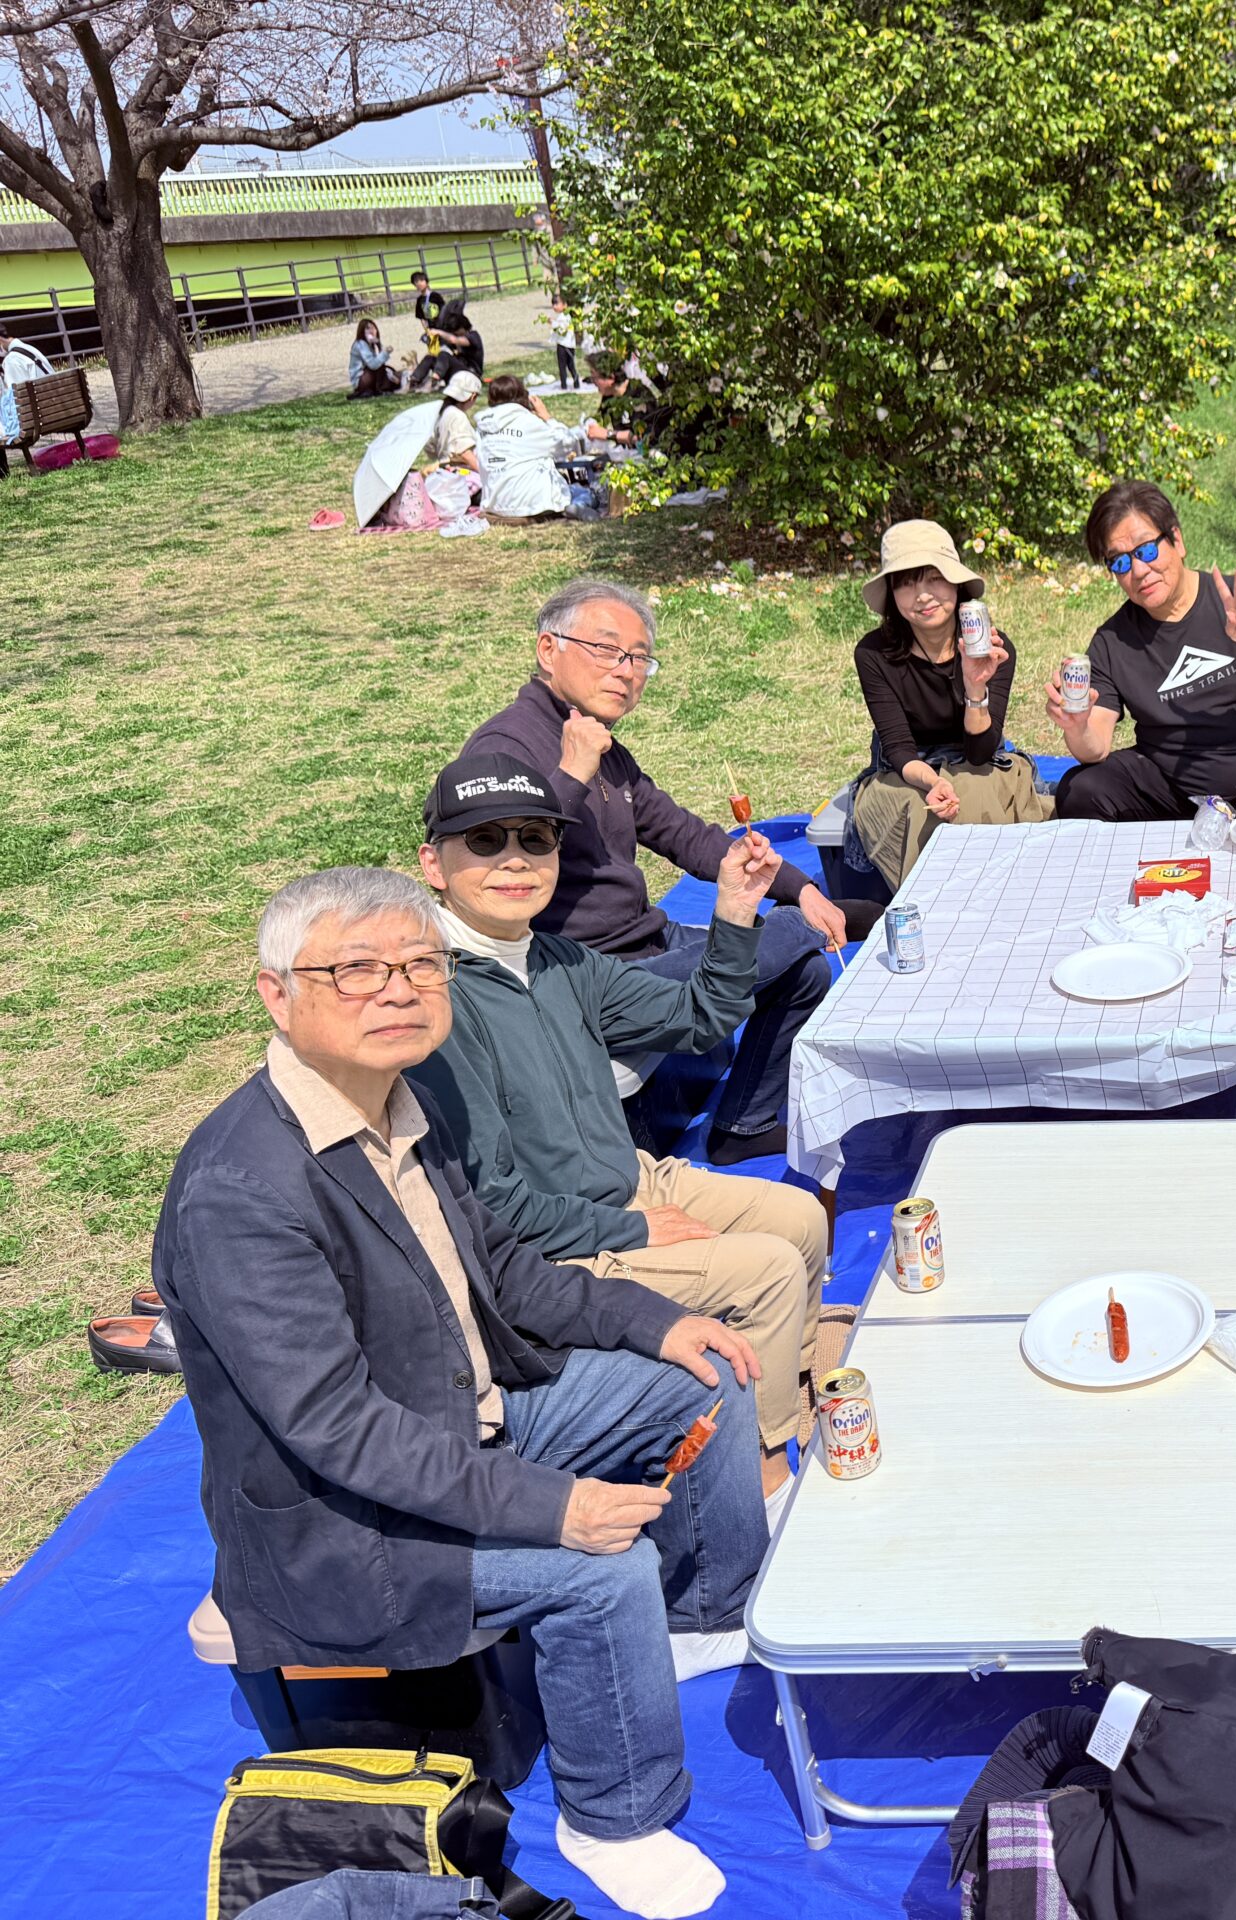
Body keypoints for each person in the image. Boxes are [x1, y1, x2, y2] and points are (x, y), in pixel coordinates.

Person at [154, 866, 764, 1920]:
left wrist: (652, 1320)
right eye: (356, 970)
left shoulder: (405, 1100)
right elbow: (341, 1432)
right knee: (601, 1566)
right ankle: (614, 1815)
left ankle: (699, 1617)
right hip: (344, 1519)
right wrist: (554, 1505)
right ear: (276, 995)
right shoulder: (241, 1192)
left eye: (420, 963)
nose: (399, 989)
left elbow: (502, 1270)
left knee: (698, 1379)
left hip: (466, 1413)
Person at [408, 754, 832, 1503]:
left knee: (800, 1217)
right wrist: (631, 1229)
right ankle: (765, 1478)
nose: (515, 859)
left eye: (536, 838)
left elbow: (697, 1017)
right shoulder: (435, 997)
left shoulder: (557, 959)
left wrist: (735, 911)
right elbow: (490, 1203)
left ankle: (790, 1399)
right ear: (433, 864)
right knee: (766, 1269)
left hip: (630, 1179)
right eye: (485, 840)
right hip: (559, 1245)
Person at [464, 579, 851, 1166]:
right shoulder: (504, 750)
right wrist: (572, 772)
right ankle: (829, 923)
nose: (625, 671)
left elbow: (683, 834)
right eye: (607, 650)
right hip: (582, 978)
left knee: (802, 971)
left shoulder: (603, 746)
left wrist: (800, 888)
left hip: (645, 941)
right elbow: (505, 868)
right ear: (548, 649)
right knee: (791, 935)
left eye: (639, 658)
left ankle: (743, 1125)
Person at [1046, 478, 1236, 820]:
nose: (1139, 571)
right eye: (1119, 562)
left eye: (1146, 550)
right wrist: (1077, 726)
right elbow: (1096, 746)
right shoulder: (1112, 641)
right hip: (1170, 790)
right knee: (1080, 789)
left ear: (1177, 540)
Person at [847, 519, 1051, 885]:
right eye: (906, 583)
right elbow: (898, 747)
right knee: (921, 808)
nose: (923, 595)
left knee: (976, 793)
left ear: (956, 583)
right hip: (907, 769)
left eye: (934, 578)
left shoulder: (993, 648)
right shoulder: (873, 653)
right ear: (892, 594)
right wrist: (932, 782)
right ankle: (930, 906)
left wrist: (975, 688)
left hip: (977, 762)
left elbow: (981, 752)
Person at [473, 374, 596, 523]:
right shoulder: (528, 421)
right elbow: (567, 443)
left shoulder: (481, 427)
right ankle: (579, 506)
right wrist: (547, 417)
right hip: (531, 504)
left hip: (494, 504)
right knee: (582, 492)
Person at [586, 353, 669, 450]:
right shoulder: (609, 396)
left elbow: (644, 437)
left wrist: (609, 435)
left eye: (595, 378)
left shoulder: (637, 396)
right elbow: (599, 419)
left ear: (611, 378)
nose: (593, 382)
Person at [423, 369, 482, 479]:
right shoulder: (457, 416)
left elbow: (430, 447)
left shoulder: (441, 412)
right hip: (459, 472)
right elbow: (464, 453)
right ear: (472, 396)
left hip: (443, 469)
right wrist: (484, 474)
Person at [346, 318, 398, 398]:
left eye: (373, 328)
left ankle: (378, 389)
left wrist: (379, 345)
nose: (371, 331)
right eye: (367, 328)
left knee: (389, 370)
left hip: (368, 375)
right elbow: (373, 364)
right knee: (379, 366)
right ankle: (378, 390)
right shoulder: (360, 344)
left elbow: (380, 361)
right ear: (362, 331)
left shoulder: (370, 345)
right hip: (360, 379)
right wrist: (385, 352)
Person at [549, 291, 584, 389]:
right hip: (561, 344)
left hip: (566, 345)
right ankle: (563, 385)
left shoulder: (565, 316)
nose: (554, 306)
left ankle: (575, 382)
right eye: (553, 304)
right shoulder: (561, 316)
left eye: (557, 304)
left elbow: (562, 330)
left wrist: (552, 323)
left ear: (564, 305)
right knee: (562, 366)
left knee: (570, 365)